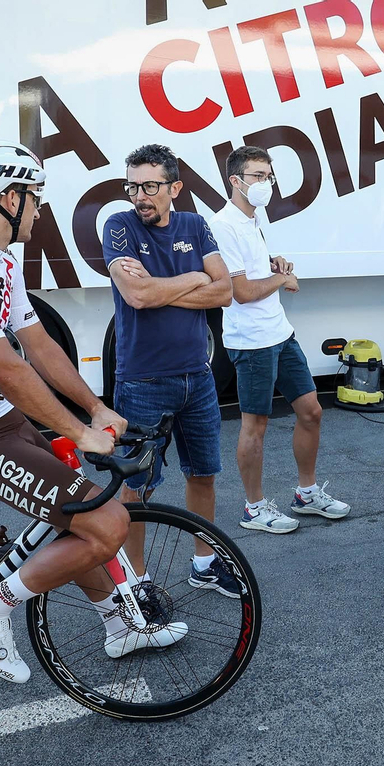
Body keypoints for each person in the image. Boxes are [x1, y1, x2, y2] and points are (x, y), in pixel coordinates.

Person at [0, 139, 189, 681]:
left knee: (72, 517)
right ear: (7, 197)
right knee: (106, 522)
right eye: (34, 197)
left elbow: (38, 344)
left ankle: (120, 624)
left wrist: (95, 408)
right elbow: (6, 365)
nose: (40, 209)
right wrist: (78, 433)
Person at [102, 144, 244, 596]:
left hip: (196, 378)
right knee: (137, 487)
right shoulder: (119, 226)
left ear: (174, 188)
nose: (139, 195)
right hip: (142, 380)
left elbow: (224, 292)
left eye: (149, 186)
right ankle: (137, 582)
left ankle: (204, 564)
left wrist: (164, 286)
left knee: (203, 474)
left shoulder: (195, 224)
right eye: (132, 186)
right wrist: (194, 278)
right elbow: (137, 297)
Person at [209, 145, 351, 533]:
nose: (266, 184)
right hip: (251, 342)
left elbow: (254, 274)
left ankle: (306, 494)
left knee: (311, 411)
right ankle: (254, 508)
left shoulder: (253, 219)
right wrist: (282, 279)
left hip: (279, 333)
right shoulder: (223, 225)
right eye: (257, 176)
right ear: (235, 181)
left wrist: (274, 265)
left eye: (269, 176)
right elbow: (240, 292)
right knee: (255, 426)